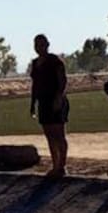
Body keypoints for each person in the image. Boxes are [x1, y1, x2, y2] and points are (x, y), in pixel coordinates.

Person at [30, 34, 69, 178]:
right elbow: (35, 85)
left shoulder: (55, 61)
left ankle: (62, 166)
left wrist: (59, 97)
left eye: (41, 44)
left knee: (59, 133)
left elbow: (63, 80)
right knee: (49, 135)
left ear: (47, 44)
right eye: (36, 45)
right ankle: (55, 164)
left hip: (56, 100)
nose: (39, 48)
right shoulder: (35, 63)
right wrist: (33, 103)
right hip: (43, 102)